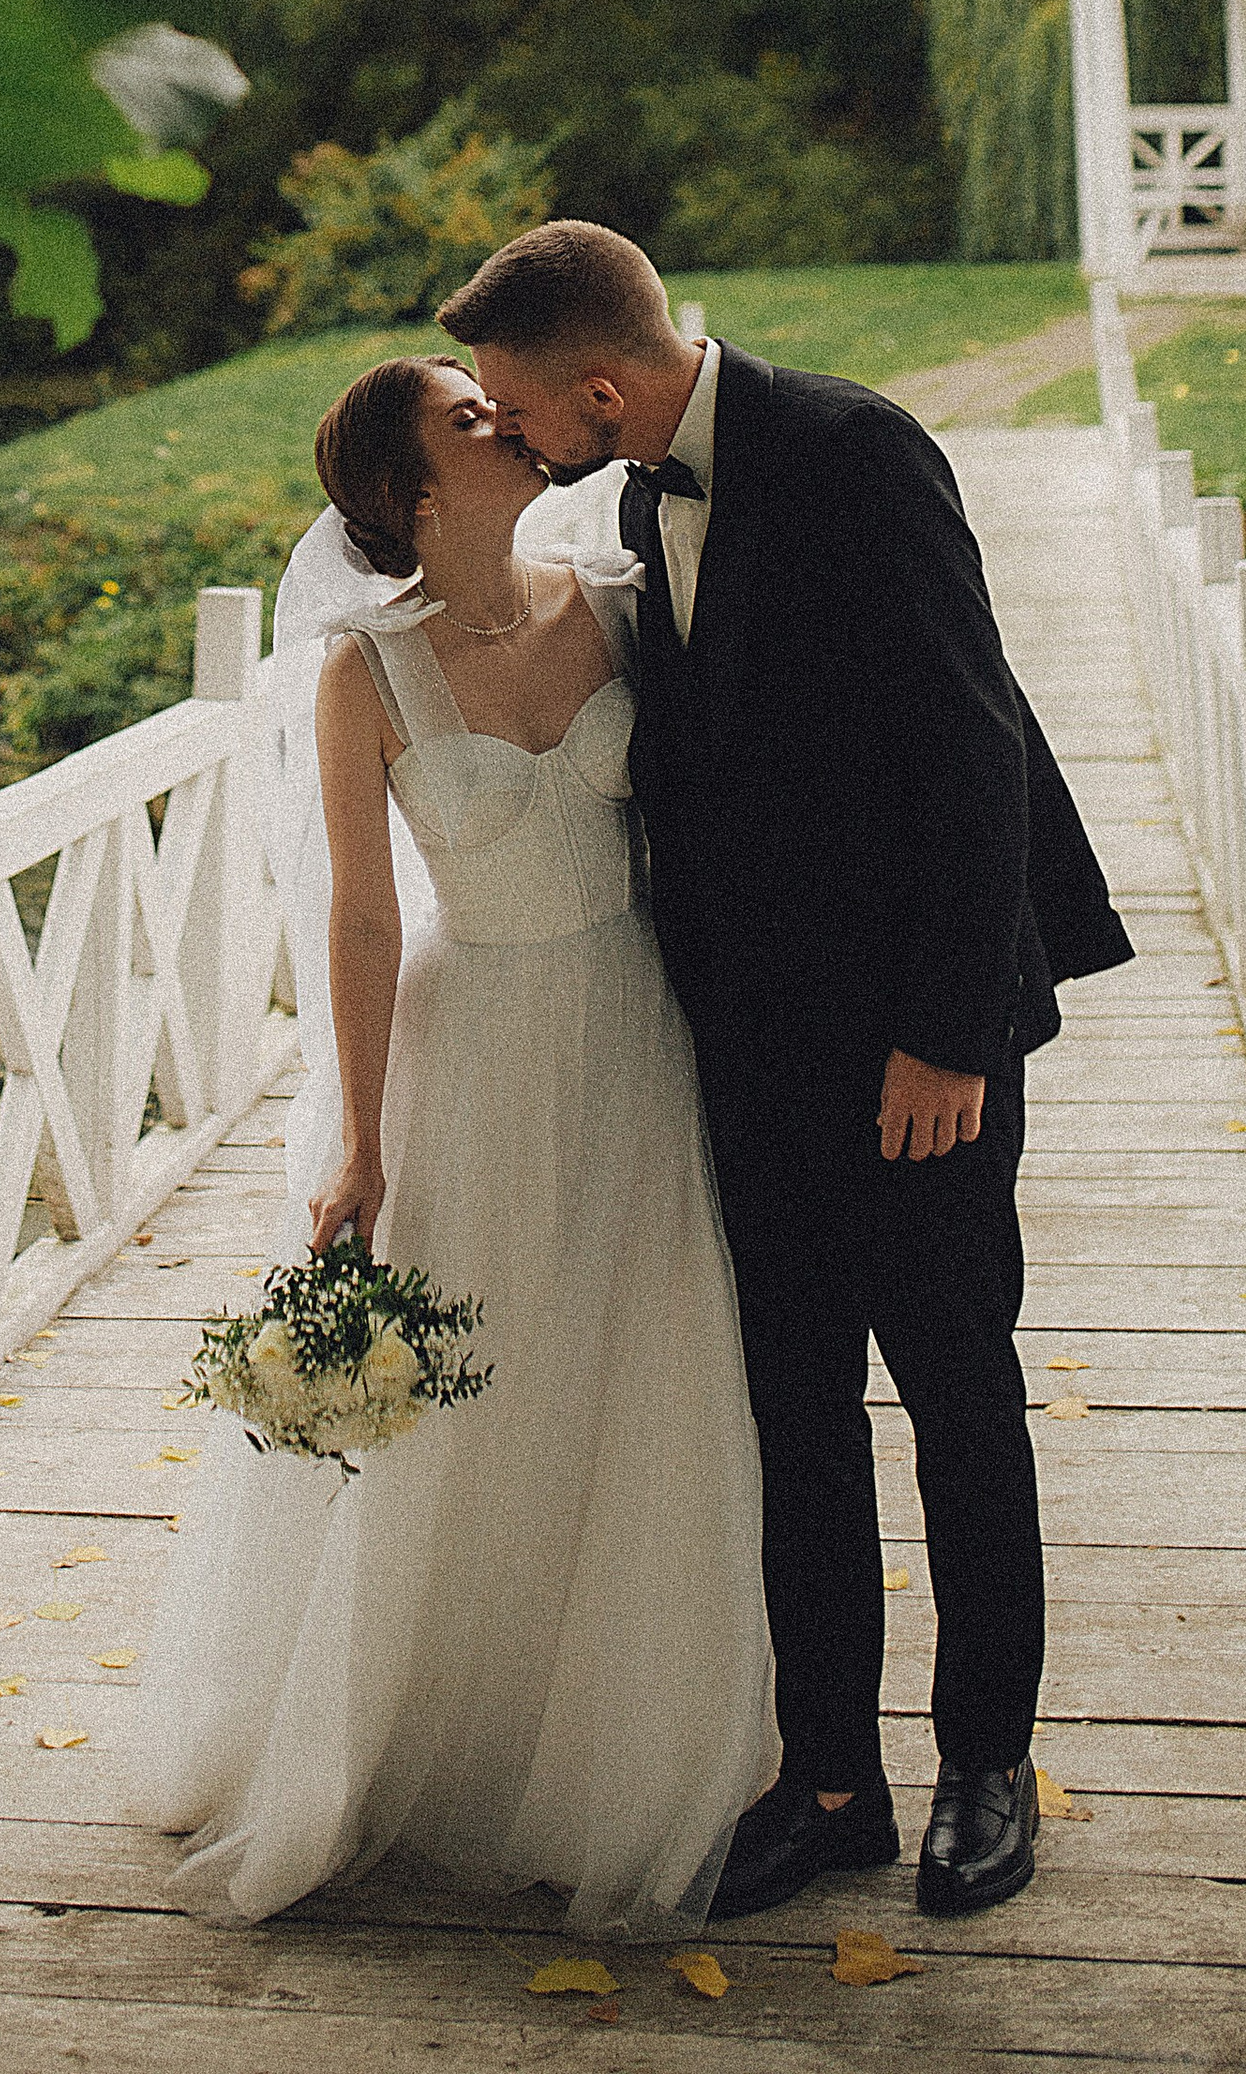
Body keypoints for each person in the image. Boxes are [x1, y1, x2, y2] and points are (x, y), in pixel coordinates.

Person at [436, 223, 1134, 1924]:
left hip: (916, 1045)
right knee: (795, 1414)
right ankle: (829, 1779)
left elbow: (973, 745)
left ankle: (988, 1768)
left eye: (526, 418)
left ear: (601, 387)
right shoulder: (621, 504)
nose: (519, 447)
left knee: (957, 1399)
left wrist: (950, 1035)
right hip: (742, 1051)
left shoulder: (855, 449)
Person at [125, 353, 777, 1932]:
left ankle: (611, 1751)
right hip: (467, 1042)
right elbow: (356, 915)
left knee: (632, 1361)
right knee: (469, 1376)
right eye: (469, 421)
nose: (511, 424)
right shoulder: (366, 671)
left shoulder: (616, 603)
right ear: (413, 493)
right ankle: (418, 1734)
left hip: (633, 1026)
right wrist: (355, 1137)